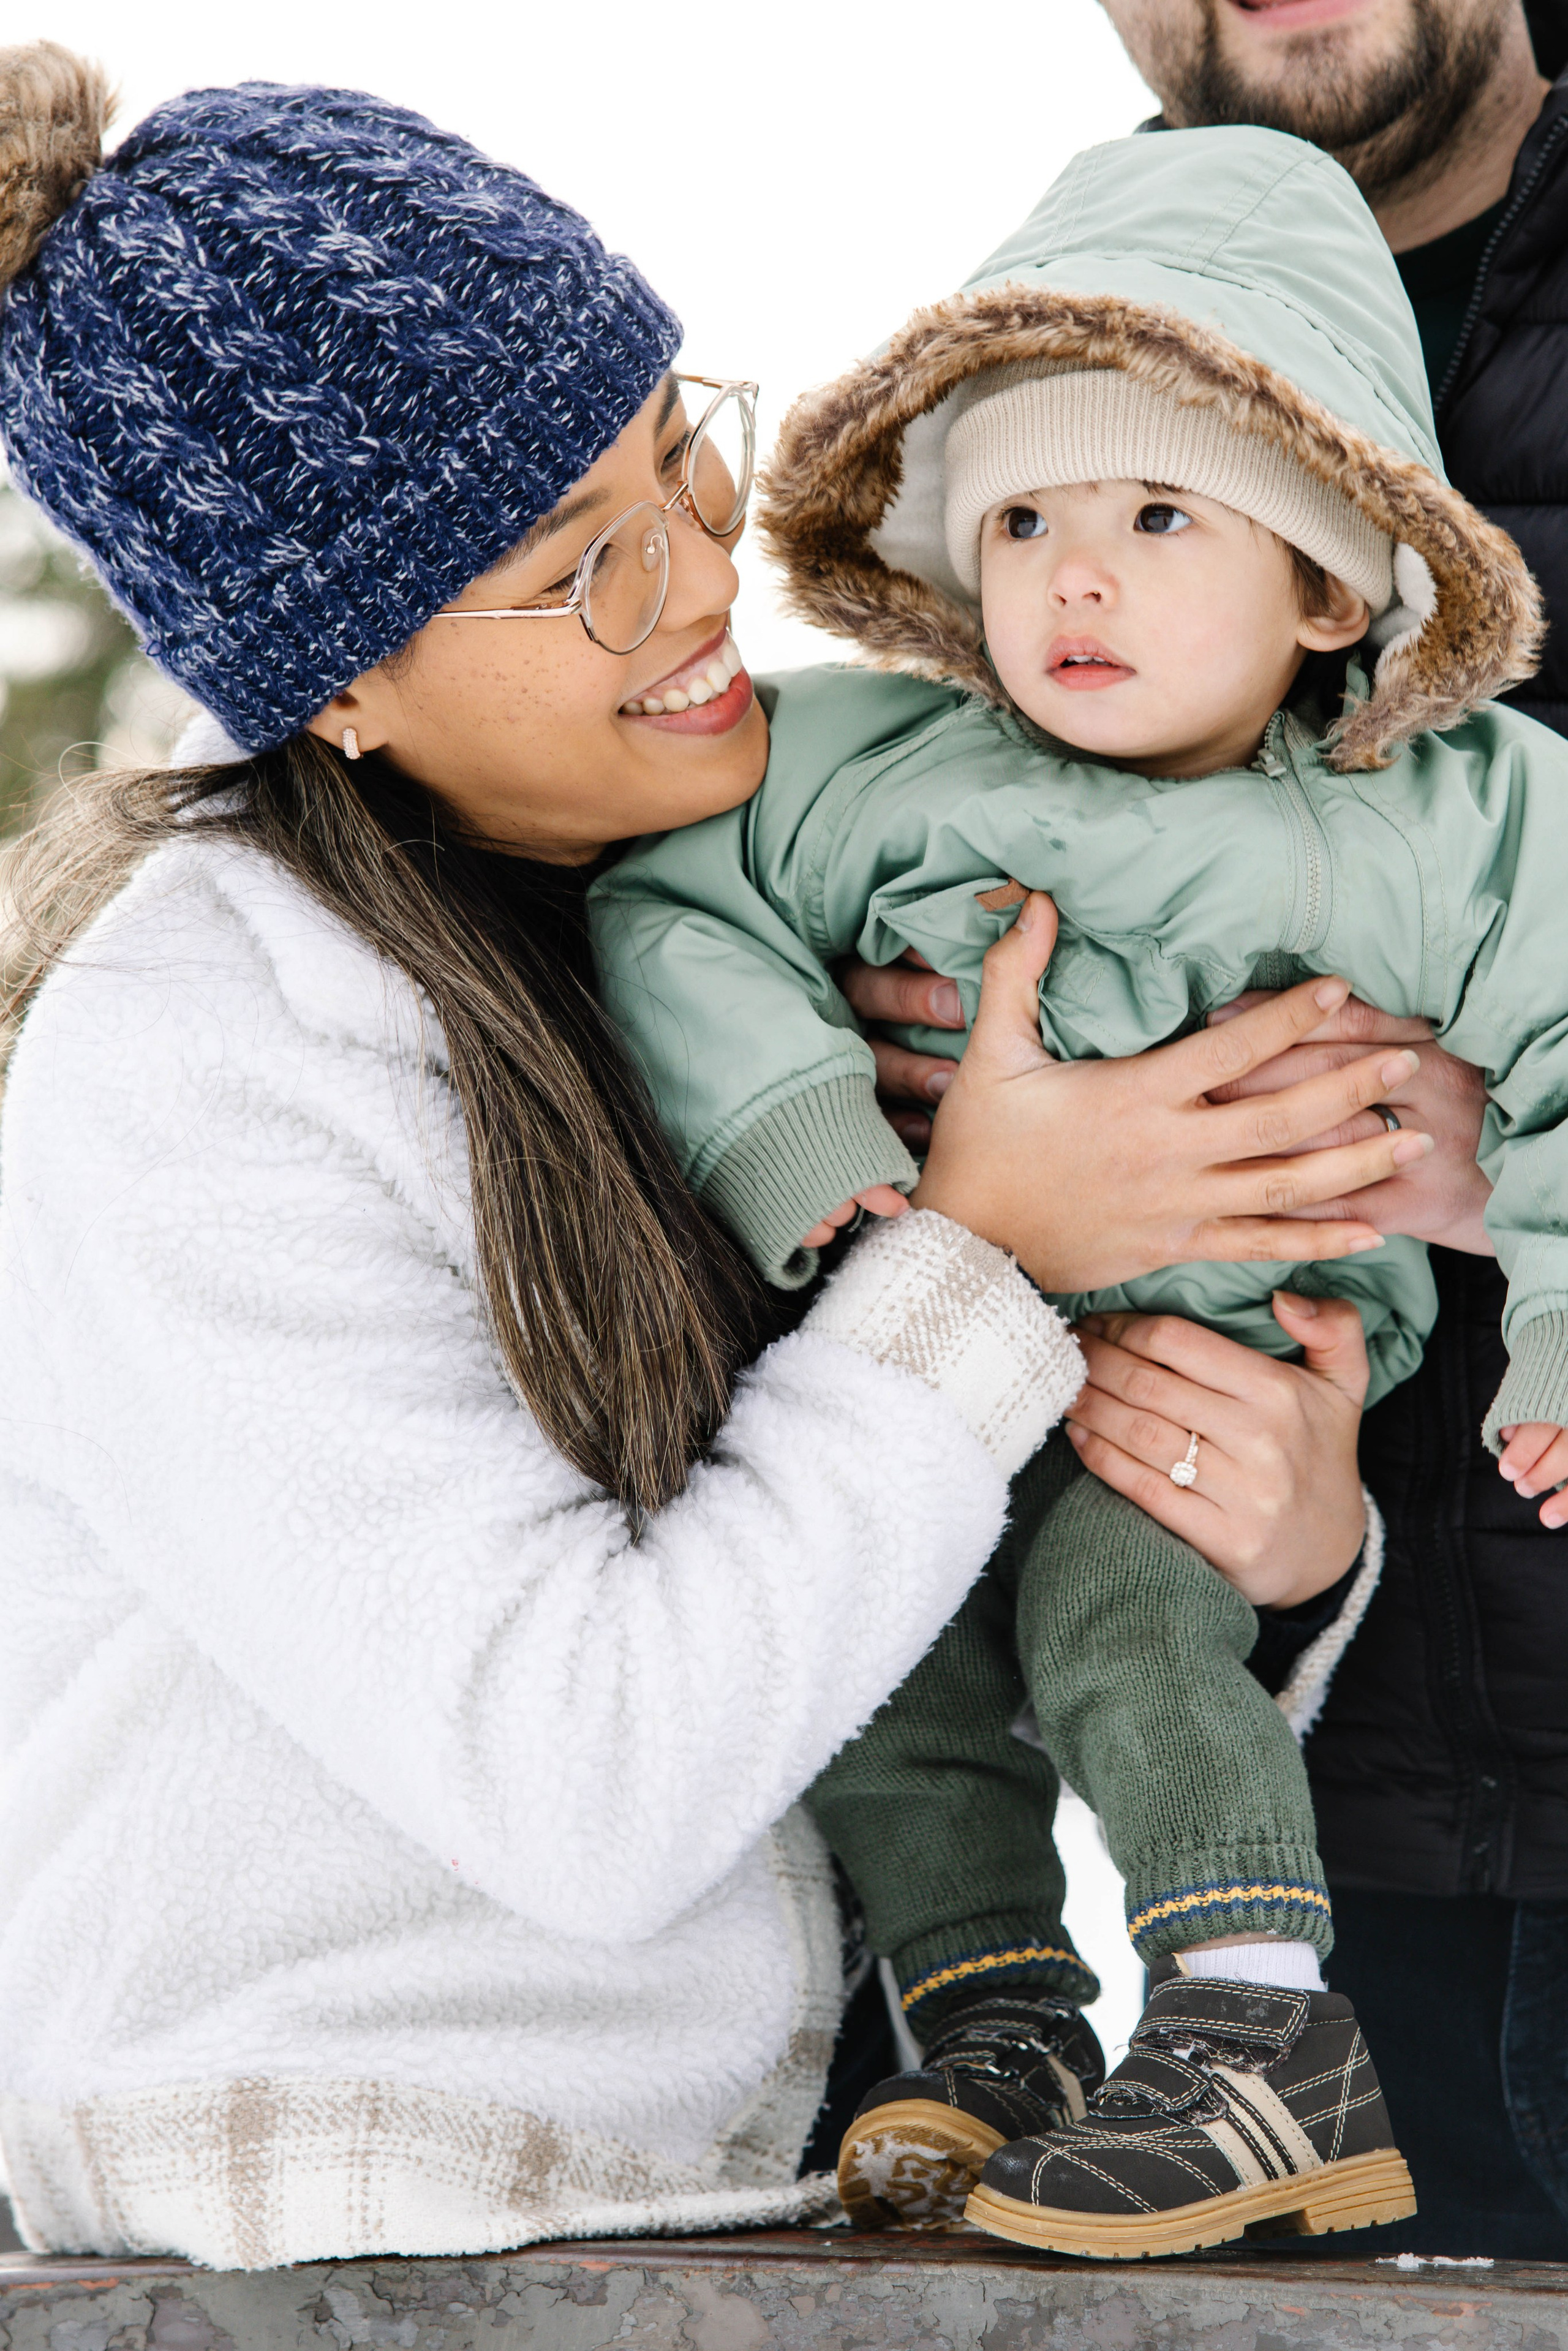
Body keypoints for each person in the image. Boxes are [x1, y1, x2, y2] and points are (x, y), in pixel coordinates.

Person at [0, 45, 1427, 2270]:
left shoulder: (696, 926)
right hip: (324, 2232)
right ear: (336, 681)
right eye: (582, 567)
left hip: (744, 2192)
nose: (696, 588)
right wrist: (980, 1256)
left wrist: (1267, 1524)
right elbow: (590, 1781)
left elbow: (857, 1598)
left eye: (683, 457)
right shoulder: (198, 1068)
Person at [591, 121, 1568, 2257]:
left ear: (1330, 579)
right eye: (1021, 517)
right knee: (874, 1658)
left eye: (1154, 514)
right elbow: (677, 906)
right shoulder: (876, 762)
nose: (1077, 576)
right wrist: (814, 1140)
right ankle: (994, 2021)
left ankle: (1249, 2029)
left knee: (1127, 1631)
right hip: (926, 1340)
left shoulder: (1457, 817)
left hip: (1207, 1391)